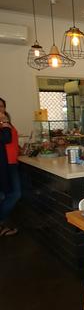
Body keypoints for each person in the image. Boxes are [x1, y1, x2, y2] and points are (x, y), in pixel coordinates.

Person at [0, 97, 20, 236]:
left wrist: (20, 149)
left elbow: (11, 140)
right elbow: (5, 139)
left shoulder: (5, 123)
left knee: (9, 194)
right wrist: (5, 123)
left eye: (2, 106)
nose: (1, 109)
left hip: (12, 162)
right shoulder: (4, 123)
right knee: (14, 194)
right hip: (5, 164)